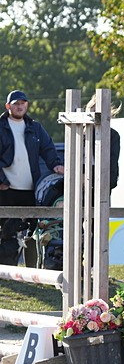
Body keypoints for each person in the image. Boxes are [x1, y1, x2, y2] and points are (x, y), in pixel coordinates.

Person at [0, 91, 64, 266]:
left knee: (32, 228)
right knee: (5, 229)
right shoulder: (1, 126)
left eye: (22, 103)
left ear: (27, 105)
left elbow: (48, 149)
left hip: (30, 188)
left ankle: (31, 271)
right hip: (6, 189)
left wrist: (56, 165)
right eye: (15, 103)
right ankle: (6, 271)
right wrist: (1, 182)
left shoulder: (35, 127)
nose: (19, 106)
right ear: (8, 106)